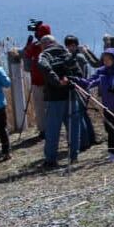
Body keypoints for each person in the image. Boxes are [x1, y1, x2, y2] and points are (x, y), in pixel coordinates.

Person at [80, 47, 114, 163]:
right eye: (104, 59)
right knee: (109, 127)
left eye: (108, 59)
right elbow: (91, 81)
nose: (106, 61)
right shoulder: (101, 72)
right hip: (107, 105)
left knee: (113, 129)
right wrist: (77, 81)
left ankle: (113, 154)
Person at [37, 34, 83, 169]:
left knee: (52, 129)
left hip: (55, 97)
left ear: (44, 45)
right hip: (71, 93)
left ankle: (51, 159)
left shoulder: (44, 56)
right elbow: (78, 73)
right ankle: (74, 155)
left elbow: (43, 66)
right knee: (73, 126)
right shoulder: (65, 53)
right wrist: (69, 80)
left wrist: (57, 81)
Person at [64, 35, 98, 150]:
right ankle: (91, 138)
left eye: (72, 46)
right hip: (81, 88)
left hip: (81, 89)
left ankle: (87, 139)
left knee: (82, 114)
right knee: (84, 114)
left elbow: (82, 75)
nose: (70, 48)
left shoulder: (79, 57)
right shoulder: (73, 56)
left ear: (76, 45)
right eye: (68, 46)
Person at [22, 22, 52, 139]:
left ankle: (43, 130)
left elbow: (26, 55)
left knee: (40, 108)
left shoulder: (35, 46)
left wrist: (28, 44)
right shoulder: (54, 45)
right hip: (51, 81)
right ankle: (53, 127)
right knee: (51, 106)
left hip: (38, 81)